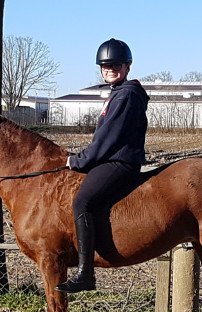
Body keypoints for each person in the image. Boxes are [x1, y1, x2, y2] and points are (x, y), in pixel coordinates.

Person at [55, 38, 150, 293]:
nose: (110, 69)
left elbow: (107, 139)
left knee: (81, 202)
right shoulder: (118, 93)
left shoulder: (127, 95)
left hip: (120, 162)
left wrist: (78, 160)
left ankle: (85, 274)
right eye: (105, 65)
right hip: (113, 159)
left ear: (127, 66)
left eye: (116, 64)